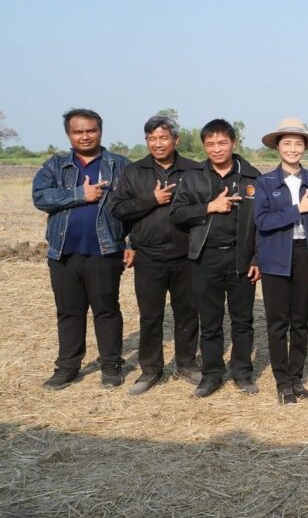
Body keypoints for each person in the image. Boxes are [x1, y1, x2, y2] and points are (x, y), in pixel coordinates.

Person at [32, 109, 133, 390]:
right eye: (78, 131)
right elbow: (40, 197)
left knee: (107, 310)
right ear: (69, 134)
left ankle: (111, 365)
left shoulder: (120, 165)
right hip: (63, 253)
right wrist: (80, 194)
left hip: (106, 252)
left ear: (100, 131)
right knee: (69, 312)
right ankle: (67, 367)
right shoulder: (56, 165)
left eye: (91, 130)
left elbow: (136, 207)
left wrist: (133, 243)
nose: (85, 136)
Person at [110, 115, 202, 394]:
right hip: (148, 256)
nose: (158, 143)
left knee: (187, 313)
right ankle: (151, 370)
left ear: (176, 140)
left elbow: (206, 206)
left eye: (163, 138)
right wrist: (152, 199)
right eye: (152, 138)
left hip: (187, 255)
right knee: (150, 316)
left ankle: (186, 364)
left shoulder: (194, 170)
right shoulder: (134, 171)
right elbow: (118, 209)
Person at [169, 119, 261, 398]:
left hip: (241, 259)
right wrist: (209, 206)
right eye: (210, 144)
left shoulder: (252, 177)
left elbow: (262, 223)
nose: (216, 149)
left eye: (222, 143)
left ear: (234, 143)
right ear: (204, 146)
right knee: (210, 321)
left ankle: (242, 372)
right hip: (205, 257)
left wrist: (256, 259)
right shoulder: (193, 176)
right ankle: (211, 375)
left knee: (242, 321)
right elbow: (177, 213)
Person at [254, 119, 308, 405]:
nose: (292, 148)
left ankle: (296, 378)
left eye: (298, 143)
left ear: (305, 148)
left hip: (307, 256)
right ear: (278, 147)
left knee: (300, 321)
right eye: (286, 143)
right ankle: (283, 382)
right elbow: (262, 221)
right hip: (276, 258)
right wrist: (297, 209)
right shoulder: (265, 183)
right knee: (278, 323)